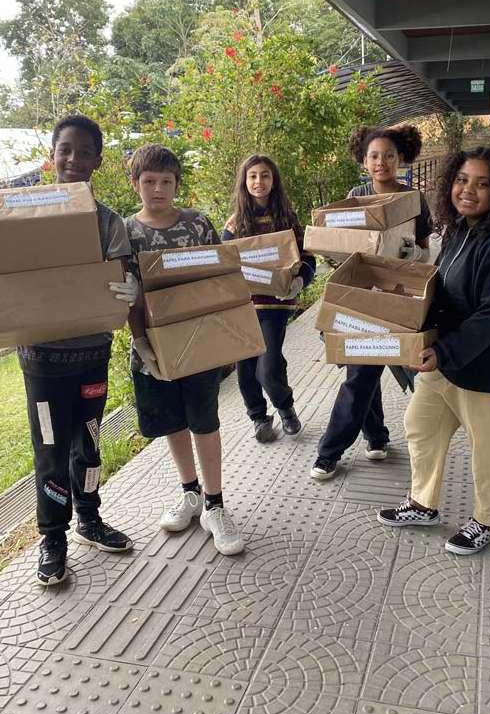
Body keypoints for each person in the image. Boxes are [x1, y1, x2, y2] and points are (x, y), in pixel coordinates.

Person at [377, 147, 490, 555]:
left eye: (483, 184)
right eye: (462, 180)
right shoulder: (459, 230)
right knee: (421, 426)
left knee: (487, 451)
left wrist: (444, 351)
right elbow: (445, 289)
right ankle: (423, 504)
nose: (468, 190)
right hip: (448, 361)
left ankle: (488, 520)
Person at [19, 114, 138, 586]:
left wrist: (131, 289)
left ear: (97, 161)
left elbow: (121, 276)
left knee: (88, 443)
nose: (74, 159)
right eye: (65, 149)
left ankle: (89, 517)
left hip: (92, 355)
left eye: (85, 151)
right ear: (52, 155)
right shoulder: (22, 215)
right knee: (50, 451)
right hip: (42, 361)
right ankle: (53, 538)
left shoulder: (108, 222)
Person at [125, 144, 244, 556]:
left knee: (204, 420)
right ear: (135, 183)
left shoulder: (196, 224)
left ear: (177, 183)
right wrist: (140, 342)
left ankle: (215, 504)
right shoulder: (126, 232)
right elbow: (123, 294)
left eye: (166, 181)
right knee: (172, 422)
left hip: (198, 342)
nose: (158, 189)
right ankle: (190, 493)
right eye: (149, 181)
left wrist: (225, 335)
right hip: (152, 346)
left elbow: (220, 274)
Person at [311, 125, 431, 480]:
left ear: (401, 158)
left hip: (397, 296)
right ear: (364, 161)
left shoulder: (413, 199)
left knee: (363, 370)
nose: (382, 162)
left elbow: (425, 249)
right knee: (363, 370)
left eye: (389, 156)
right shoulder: (356, 197)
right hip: (361, 296)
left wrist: (408, 255)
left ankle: (346, 446)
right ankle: (360, 442)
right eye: (374, 156)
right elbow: (339, 244)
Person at [222, 154, 316, 442]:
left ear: (274, 180)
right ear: (244, 182)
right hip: (242, 307)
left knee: (269, 366)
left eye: (264, 175)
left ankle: (285, 407)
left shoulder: (287, 219)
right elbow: (223, 266)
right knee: (246, 368)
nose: (258, 181)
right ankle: (259, 418)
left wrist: (300, 281)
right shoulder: (234, 225)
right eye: (252, 176)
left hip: (275, 305)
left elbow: (308, 258)